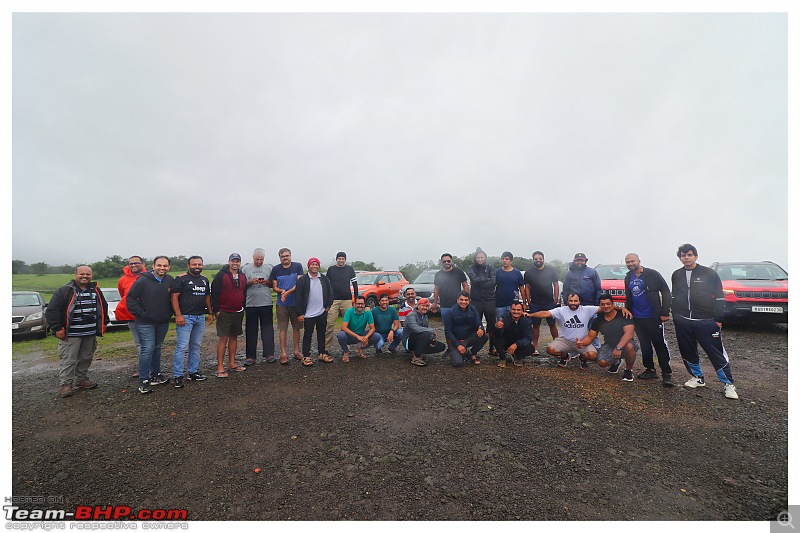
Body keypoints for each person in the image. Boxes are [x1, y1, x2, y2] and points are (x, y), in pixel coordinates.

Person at [671, 243, 738, 399]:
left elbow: (720, 296)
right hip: (683, 321)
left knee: (715, 353)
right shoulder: (676, 274)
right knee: (687, 350)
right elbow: (674, 296)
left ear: (696, 256)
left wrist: (719, 318)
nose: (686, 258)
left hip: (706, 320)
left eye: (689, 255)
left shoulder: (709, 273)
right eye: (683, 255)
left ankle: (728, 384)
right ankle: (697, 377)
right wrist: (676, 315)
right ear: (680, 258)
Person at [46, 266, 109, 398]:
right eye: (82, 274)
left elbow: (103, 306)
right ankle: (66, 384)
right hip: (71, 333)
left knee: (86, 357)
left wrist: (104, 323)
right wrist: (57, 328)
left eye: (88, 274)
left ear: (91, 276)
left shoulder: (95, 290)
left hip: (90, 332)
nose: (85, 276)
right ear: (75, 274)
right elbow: (52, 310)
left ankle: (82, 379)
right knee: (69, 359)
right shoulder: (64, 291)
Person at [624, 253, 674, 387]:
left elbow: (665, 291)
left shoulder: (652, 274)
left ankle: (666, 374)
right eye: (627, 262)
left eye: (632, 261)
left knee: (659, 344)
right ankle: (650, 369)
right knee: (645, 344)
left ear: (639, 261)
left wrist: (665, 311)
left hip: (653, 316)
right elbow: (629, 296)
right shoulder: (628, 277)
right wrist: (628, 312)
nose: (630, 264)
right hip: (637, 317)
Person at [125, 256, 175, 394]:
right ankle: (144, 380)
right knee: (147, 349)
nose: (162, 268)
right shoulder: (142, 280)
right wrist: (142, 314)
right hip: (145, 322)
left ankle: (155, 375)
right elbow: (130, 299)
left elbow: (175, 295)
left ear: (169, 267)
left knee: (157, 348)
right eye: (159, 265)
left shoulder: (170, 280)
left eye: (165, 266)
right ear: (153, 266)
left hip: (162, 321)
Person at [528, 293, 604, 369]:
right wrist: (530, 315)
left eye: (575, 301)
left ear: (580, 301)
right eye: (570, 301)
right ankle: (565, 356)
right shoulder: (561, 310)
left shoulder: (587, 309)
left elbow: (604, 308)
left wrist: (615, 308)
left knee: (592, 355)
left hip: (582, 341)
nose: (573, 303)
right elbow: (545, 313)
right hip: (565, 340)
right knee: (550, 350)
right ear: (567, 301)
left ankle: (582, 359)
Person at [169, 256, 212, 387]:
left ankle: (193, 372)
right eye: (194, 264)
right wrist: (178, 315)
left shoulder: (204, 280)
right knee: (182, 346)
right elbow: (174, 297)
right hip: (185, 317)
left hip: (200, 317)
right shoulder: (181, 279)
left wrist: (210, 313)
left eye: (199, 264)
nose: (197, 266)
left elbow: (207, 297)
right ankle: (178, 375)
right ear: (188, 266)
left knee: (196, 346)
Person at [576, 294, 639, 382]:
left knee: (629, 346)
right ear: (600, 306)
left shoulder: (624, 315)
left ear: (613, 304)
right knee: (602, 362)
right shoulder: (598, 320)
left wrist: (619, 347)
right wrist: (581, 343)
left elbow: (629, 334)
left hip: (624, 343)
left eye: (608, 304)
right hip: (609, 344)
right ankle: (616, 362)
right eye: (603, 304)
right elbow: (590, 336)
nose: (606, 306)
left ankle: (628, 370)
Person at [211, 253, 247, 377]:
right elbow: (214, 293)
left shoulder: (242, 276)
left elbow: (244, 292)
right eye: (233, 261)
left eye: (237, 261)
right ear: (229, 262)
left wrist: (243, 307)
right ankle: (220, 366)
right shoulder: (221, 276)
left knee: (234, 337)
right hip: (224, 311)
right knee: (223, 338)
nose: (235, 263)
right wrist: (216, 310)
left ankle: (232, 363)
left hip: (238, 311)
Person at [269, 248, 305, 364]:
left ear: (290, 256)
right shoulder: (276, 269)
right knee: (282, 329)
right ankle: (283, 354)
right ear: (279, 258)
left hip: (296, 303)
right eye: (282, 256)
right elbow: (274, 286)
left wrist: (288, 292)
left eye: (287, 255)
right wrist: (281, 291)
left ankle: (296, 351)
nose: (285, 258)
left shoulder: (298, 266)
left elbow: (299, 284)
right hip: (282, 304)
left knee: (297, 328)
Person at [295, 257, 333, 365]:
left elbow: (330, 292)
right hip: (308, 313)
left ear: (319, 266)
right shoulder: (303, 280)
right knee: (308, 334)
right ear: (308, 266)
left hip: (321, 311)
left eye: (316, 264)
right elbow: (298, 297)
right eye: (312, 264)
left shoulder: (324, 279)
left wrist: (328, 305)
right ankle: (306, 356)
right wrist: (300, 313)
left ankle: (322, 353)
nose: (314, 266)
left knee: (321, 333)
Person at [241, 248, 275, 365]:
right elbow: (241, 285)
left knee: (267, 330)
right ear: (253, 258)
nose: (259, 262)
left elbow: (273, 284)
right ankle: (251, 356)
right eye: (257, 259)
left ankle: (269, 354)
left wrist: (267, 282)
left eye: (261, 259)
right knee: (251, 331)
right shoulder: (246, 268)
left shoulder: (269, 268)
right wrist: (251, 282)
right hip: (251, 304)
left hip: (266, 302)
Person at [523, 251, 560, 355]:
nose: (538, 260)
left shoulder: (551, 271)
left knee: (552, 324)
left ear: (543, 259)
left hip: (549, 302)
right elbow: (527, 287)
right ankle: (535, 348)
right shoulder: (529, 273)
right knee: (535, 326)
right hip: (535, 303)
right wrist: (528, 301)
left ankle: (557, 345)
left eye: (540, 259)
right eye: (536, 259)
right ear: (533, 260)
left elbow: (556, 285)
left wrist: (555, 299)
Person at [116, 255, 146, 377]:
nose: (133, 265)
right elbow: (123, 295)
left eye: (136, 263)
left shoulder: (148, 277)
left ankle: (152, 369)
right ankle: (144, 369)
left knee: (150, 344)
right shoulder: (123, 279)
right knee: (139, 344)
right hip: (132, 317)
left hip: (147, 316)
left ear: (143, 264)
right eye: (131, 263)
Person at [325, 251, 358, 354]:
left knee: (348, 324)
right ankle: (326, 348)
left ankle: (347, 347)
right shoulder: (331, 269)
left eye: (343, 258)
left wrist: (356, 299)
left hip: (347, 300)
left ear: (345, 259)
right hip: (333, 300)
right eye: (339, 258)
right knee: (330, 323)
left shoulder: (349, 269)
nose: (341, 260)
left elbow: (355, 284)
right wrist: (326, 300)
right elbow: (326, 284)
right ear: (336, 259)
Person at [443, 291, 487, 367]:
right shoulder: (450, 312)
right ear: (457, 300)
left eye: (466, 300)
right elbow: (448, 331)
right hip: (456, 341)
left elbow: (478, 323)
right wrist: (458, 345)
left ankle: (472, 353)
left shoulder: (473, 309)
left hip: (468, 339)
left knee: (485, 336)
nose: (463, 302)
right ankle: (459, 352)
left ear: (469, 301)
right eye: (461, 300)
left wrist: (481, 330)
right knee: (458, 363)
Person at [467, 247, 497, 355]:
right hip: (476, 299)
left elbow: (493, 282)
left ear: (485, 257)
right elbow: (473, 280)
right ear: (475, 258)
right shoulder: (471, 267)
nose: (480, 259)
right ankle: (473, 350)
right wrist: (485, 279)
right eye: (478, 257)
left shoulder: (490, 267)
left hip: (489, 299)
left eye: (482, 257)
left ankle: (492, 347)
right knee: (475, 323)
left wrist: (478, 282)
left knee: (492, 324)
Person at [400, 298, 446, 367]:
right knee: (426, 334)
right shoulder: (411, 315)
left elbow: (426, 329)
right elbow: (416, 329)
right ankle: (416, 357)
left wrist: (432, 339)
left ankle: (419, 351)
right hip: (408, 340)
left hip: (420, 338)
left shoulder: (425, 317)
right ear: (418, 306)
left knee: (441, 346)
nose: (425, 308)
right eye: (423, 306)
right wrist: (432, 331)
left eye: (427, 306)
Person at [337, 296, 380, 362]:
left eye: (362, 304)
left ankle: (359, 346)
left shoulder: (368, 313)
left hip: (361, 334)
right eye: (358, 304)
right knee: (341, 335)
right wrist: (357, 336)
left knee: (377, 336)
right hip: (350, 335)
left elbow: (372, 328)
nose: (360, 305)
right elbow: (343, 327)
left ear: (364, 304)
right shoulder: (349, 311)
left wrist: (366, 337)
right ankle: (346, 352)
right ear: (354, 304)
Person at [495, 301, 534, 368]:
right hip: (507, 341)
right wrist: (498, 328)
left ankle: (518, 356)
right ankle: (502, 358)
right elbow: (499, 335)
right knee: (495, 337)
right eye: (513, 309)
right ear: (510, 310)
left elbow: (529, 337)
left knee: (530, 348)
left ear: (522, 311)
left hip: (518, 343)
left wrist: (516, 344)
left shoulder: (526, 320)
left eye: (518, 310)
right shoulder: (504, 317)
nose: (516, 312)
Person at [431, 253, 469, 322]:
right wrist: (435, 303)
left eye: (448, 261)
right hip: (444, 305)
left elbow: (465, 285)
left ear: (452, 262)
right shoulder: (438, 274)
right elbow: (436, 289)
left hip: (458, 304)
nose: (446, 263)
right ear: (441, 262)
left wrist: (465, 299)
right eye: (444, 261)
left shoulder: (459, 272)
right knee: (447, 326)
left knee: (460, 325)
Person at [495, 251, 525, 320]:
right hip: (499, 304)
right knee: (500, 324)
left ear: (511, 261)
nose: (504, 261)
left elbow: (522, 288)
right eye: (503, 259)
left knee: (513, 324)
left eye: (507, 259)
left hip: (514, 304)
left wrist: (524, 302)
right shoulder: (497, 272)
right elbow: (492, 287)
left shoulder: (517, 273)